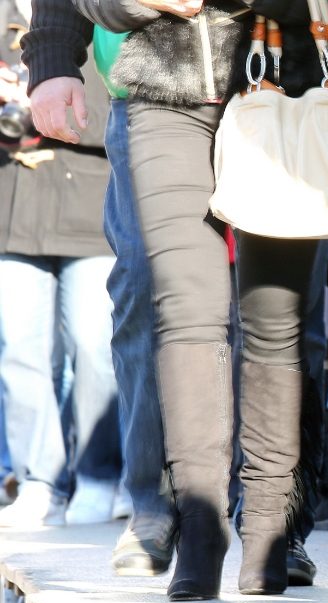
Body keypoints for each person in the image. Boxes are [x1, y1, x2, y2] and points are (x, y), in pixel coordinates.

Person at [22, 0, 323, 585]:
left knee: (282, 318)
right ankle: (175, 518)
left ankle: (279, 528)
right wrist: (55, 57)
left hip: (285, 84)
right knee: (168, 303)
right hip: (159, 90)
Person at [0, 0, 123, 530]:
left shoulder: (88, 8)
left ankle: (100, 476)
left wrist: (39, 94)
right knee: (22, 349)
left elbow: (112, 96)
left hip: (87, 192)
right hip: (12, 198)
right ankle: (38, 480)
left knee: (93, 347)